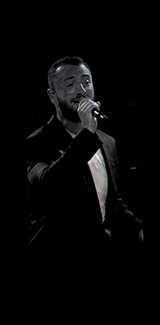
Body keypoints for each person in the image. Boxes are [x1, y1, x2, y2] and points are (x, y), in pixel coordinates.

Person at [27, 56, 143, 261]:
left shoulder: (107, 142)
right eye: (70, 84)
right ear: (52, 95)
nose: (81, 90)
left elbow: (111, 201)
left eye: (86, 82)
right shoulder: (37, 143)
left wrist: (138, 228)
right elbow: (50, 184)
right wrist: (87, 133)